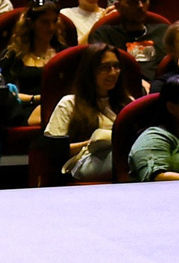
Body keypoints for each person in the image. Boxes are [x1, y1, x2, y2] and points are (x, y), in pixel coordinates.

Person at [44, 46, 125, 183]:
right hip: (83, 162)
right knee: (129, 158)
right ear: (90, 71)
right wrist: (91, 144)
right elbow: (53, 151)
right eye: (104, 67)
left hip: (118, 157)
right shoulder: (69, 103)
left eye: (116, 66)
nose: (113, 73)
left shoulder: (126, 103)